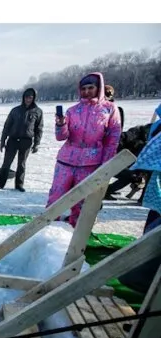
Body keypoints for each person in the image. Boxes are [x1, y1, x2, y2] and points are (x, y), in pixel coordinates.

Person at [46, 72, 121, 227]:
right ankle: (48, 229)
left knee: (82, 202)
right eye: (83, 88)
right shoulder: (73, 110)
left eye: (90, 88)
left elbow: (112, 140)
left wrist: (105, 165)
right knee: (56, 197)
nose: (86, 92)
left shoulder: (110, 110)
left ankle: (76, 234)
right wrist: (61, 124)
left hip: (91, 163)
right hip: (66, 160)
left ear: (98, 88)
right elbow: (61, 137)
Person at [0, 88, 43, 192]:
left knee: (21, 164)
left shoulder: (38, 111)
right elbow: (7, 126)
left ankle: (19, 185)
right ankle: (0, 184)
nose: (28, 100)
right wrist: (2, 141)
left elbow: (39, 129)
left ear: (34, 98)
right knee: (6, 163)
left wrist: (36, 144)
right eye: (26, 97)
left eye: (30, 97)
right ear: (23, 98)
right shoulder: (15, 110)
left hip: (26, 141)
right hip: (12, 140)